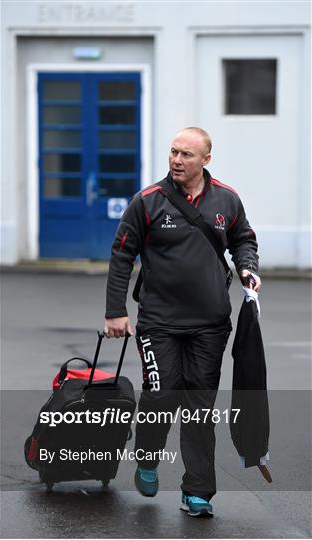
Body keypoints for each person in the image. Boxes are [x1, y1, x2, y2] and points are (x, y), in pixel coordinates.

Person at [104, 127, 261, 517]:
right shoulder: (148, 201)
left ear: (205, 159)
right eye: (173, 152)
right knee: (161, 395)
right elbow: (122, 254)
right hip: (159, 322)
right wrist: (115, 311)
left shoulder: (227, 199)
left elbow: (244, 239)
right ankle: (148, 456)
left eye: (186, 155)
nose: (176, 160)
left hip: (210, 324)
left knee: (200, 408)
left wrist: (247, 268)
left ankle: (198, 492)